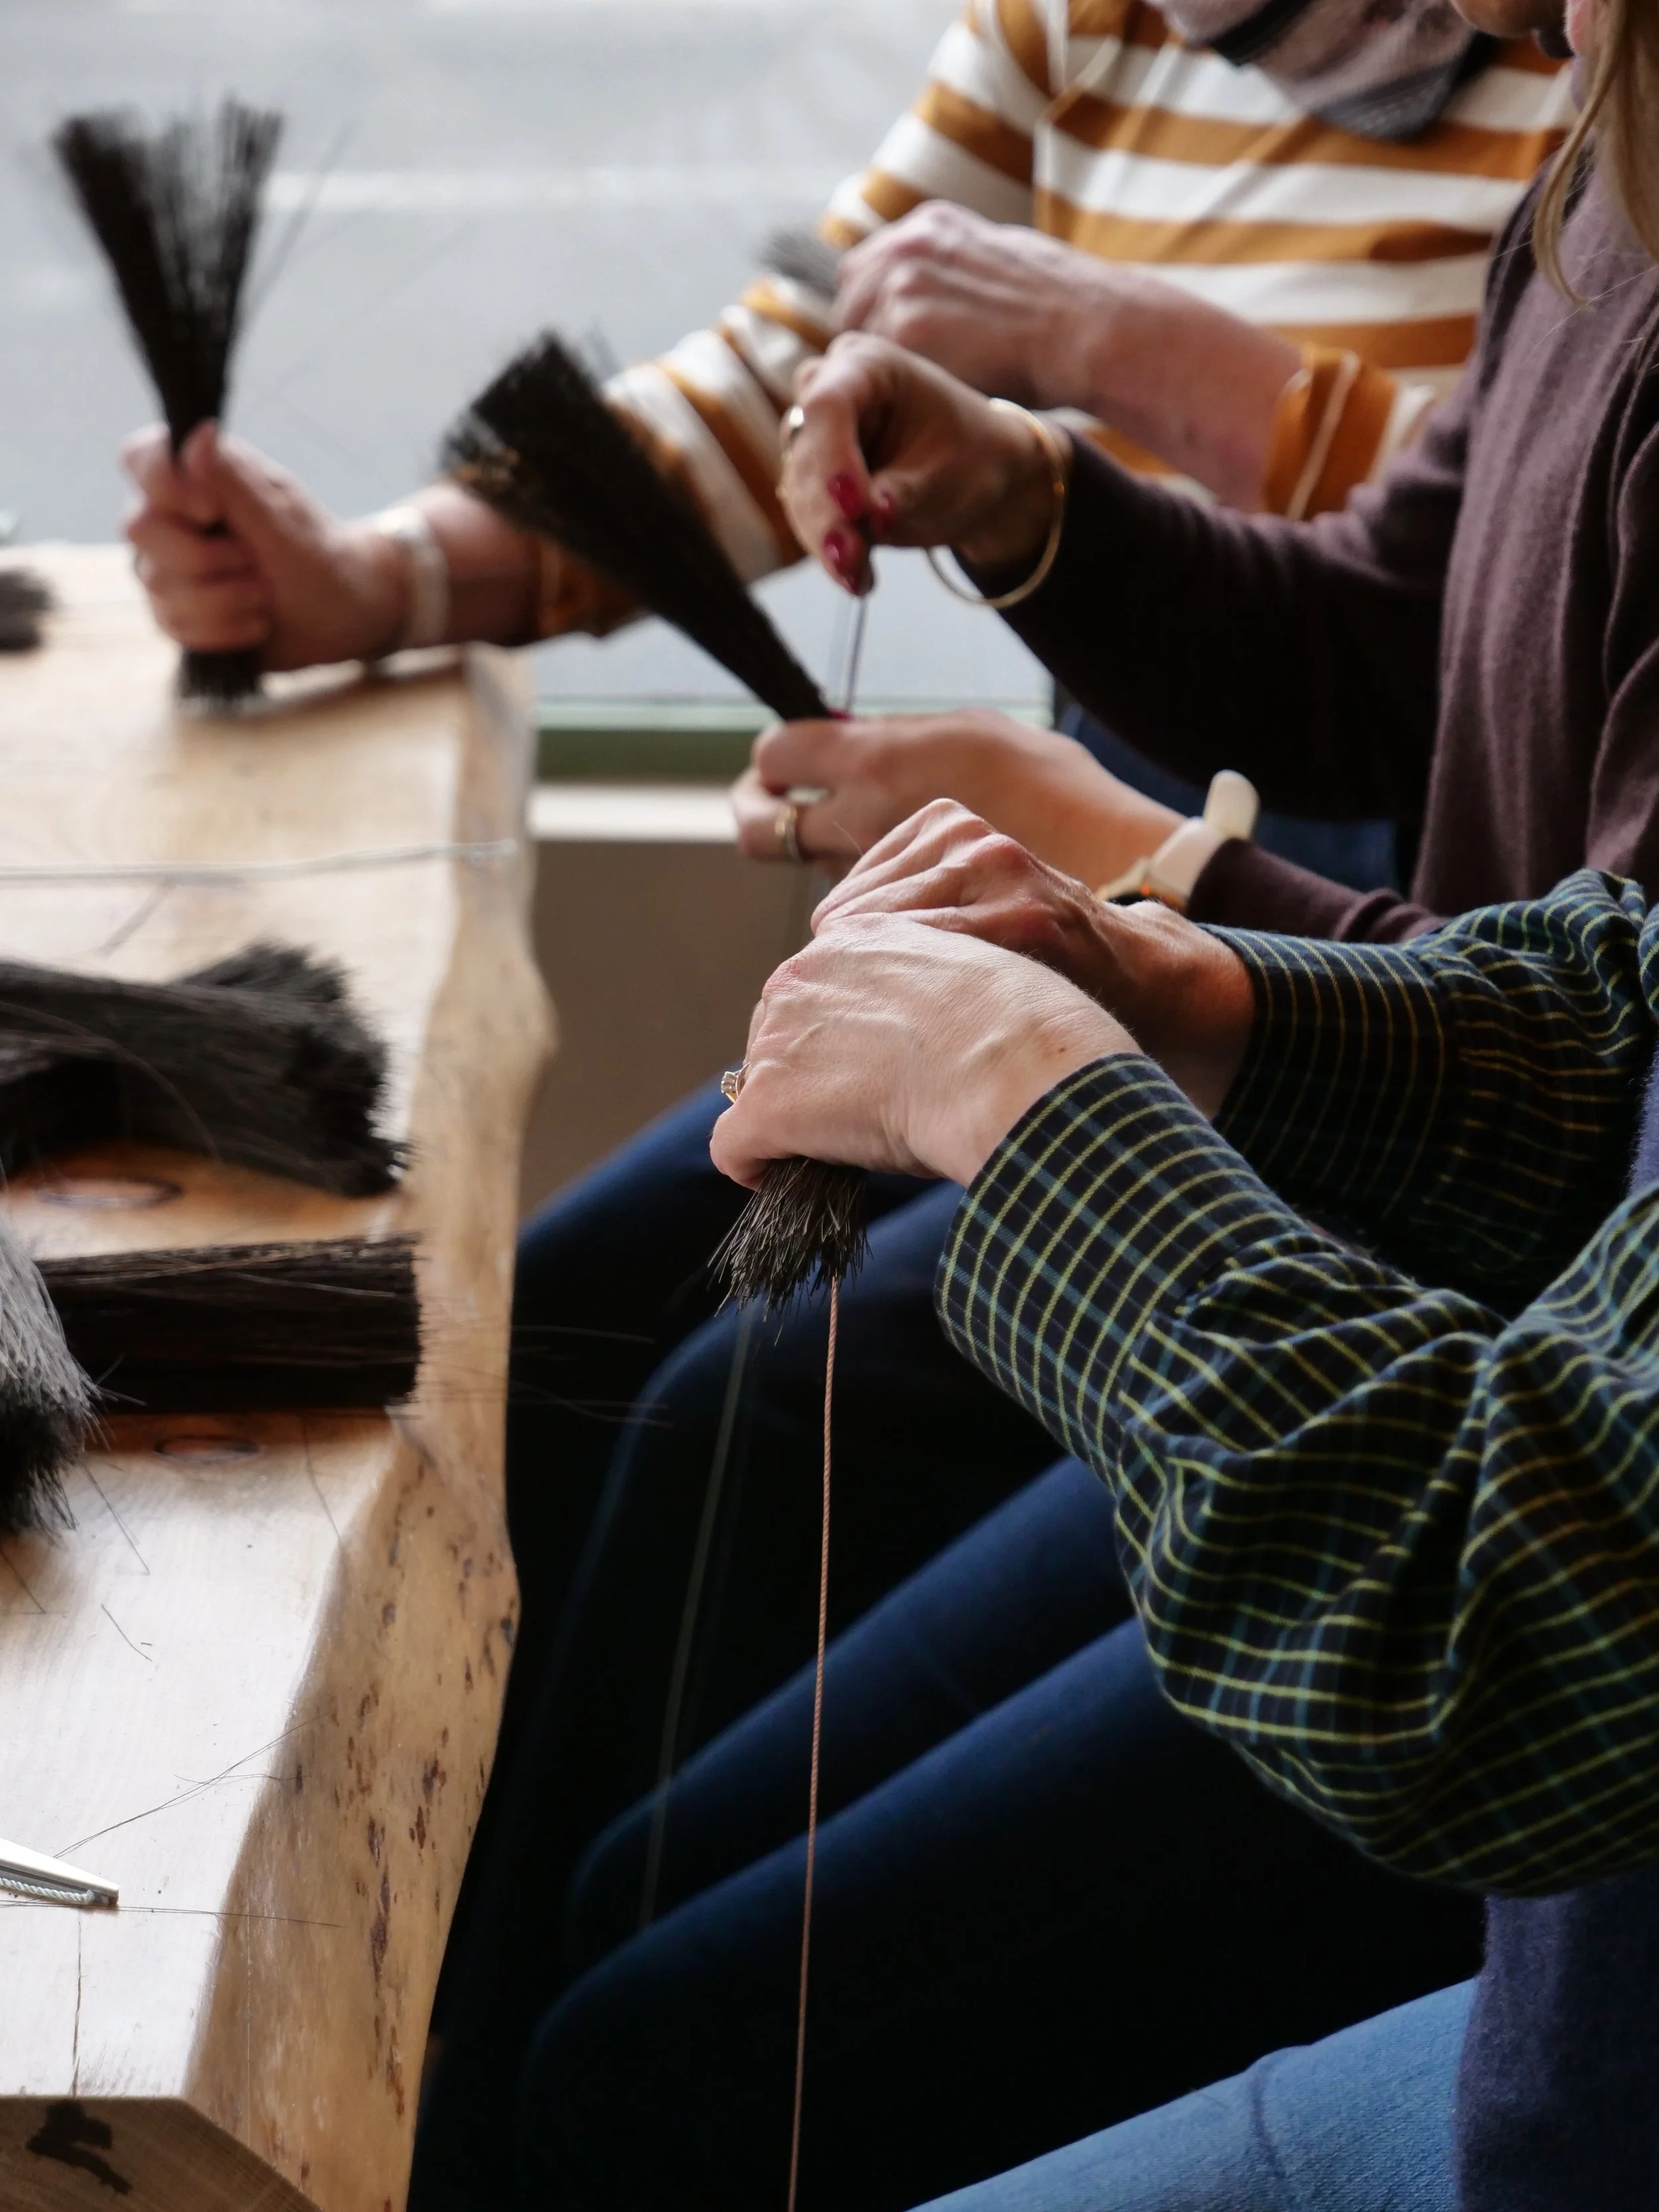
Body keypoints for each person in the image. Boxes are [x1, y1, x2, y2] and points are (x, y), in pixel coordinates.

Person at [490, 0, 1659, 2193]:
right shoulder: (1601, 168)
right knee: (640, 1910)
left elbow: (1505, 1637)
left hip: (1464, 1534)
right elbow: (1610, 978)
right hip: (1424, 1337)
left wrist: (1070, 1045)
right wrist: (1170, 944)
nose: (1521, 32)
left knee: (662, 2050)